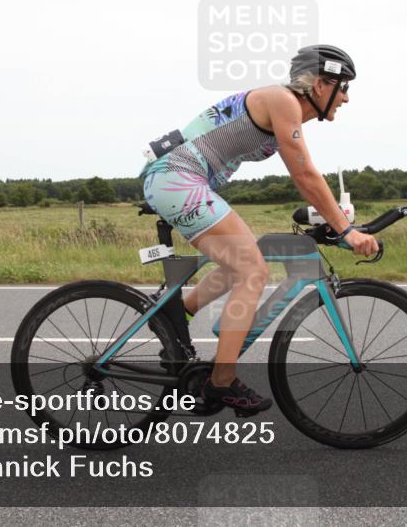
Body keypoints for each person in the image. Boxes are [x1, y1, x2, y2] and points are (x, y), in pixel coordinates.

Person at [140, 44, 379, 413]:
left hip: (177, 178)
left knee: (243, 259)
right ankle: (220, 383)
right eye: (343, 87)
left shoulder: (281, 106)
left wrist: (334, 221)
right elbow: (304, 173)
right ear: (320, 84)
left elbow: (301, 174)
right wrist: (346, 230)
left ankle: (175, 314)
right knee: (253, 269)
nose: (345, 98)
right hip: (177, 178)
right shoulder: (282, 100)